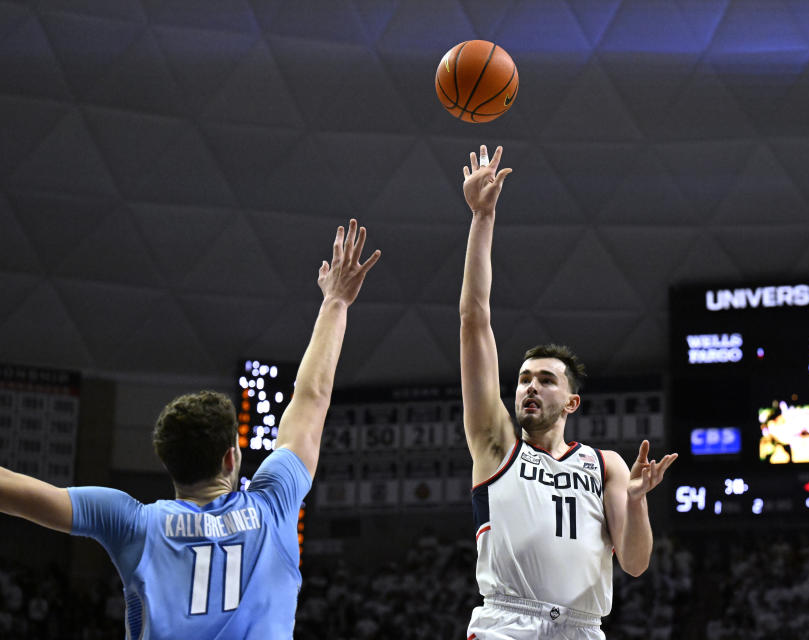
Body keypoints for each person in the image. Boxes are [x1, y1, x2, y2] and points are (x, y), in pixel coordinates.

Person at [0, 220, 380, 639]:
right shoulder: (273, 504)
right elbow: (312, 397)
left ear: (168, 462)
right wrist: (335, 303)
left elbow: (13, 491)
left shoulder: (133, 523)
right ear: (230, 457)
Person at [458, 145, 678, 639]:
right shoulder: (497, 446)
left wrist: (639, 502)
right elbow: (474, 321)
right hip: (507, 623)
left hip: (582, 628)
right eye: (522, 379)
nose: (529, 387)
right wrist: (482, 216)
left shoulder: (606, 465)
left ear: (572, 402)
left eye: (545, 379)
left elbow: (637, 564)